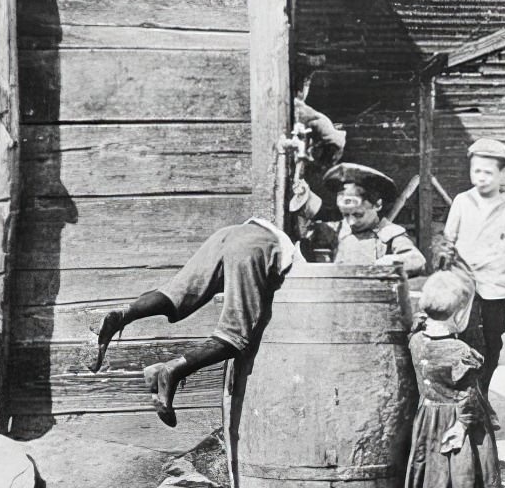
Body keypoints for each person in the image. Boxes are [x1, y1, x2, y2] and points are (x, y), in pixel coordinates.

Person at [86, 99, 345, 428]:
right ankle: (171, 369)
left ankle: (120, 316)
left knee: (176, 296)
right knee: (237, 336)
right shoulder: (313, 202)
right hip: (261, 246)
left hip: (236, 232)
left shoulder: (300, 162)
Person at [402, 271, 503, 488]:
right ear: (459, 314)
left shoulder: (417, 342)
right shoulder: (460, 352)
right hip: (459, 423)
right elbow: (469, 395)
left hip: (429, 421)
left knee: (437, 481)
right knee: (464, 480)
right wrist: (461, 425)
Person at [438, 138, 505, 401]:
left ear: (502, 173)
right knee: (462, 343)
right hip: (463, 289)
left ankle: (482, 396)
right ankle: (465, 400)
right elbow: (448, 241)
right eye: (476, 171)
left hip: (496, 289)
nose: (481, 178)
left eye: (488, 172)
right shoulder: (461, 201)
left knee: (492, 345)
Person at [291, 163, 426, 273]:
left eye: (358, 215)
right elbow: (311, 221)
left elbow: (416, 260)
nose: (350, 222)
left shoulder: (390, 233)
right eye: (345, 215)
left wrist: (387, 264)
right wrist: (304, 197)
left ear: (377, 205)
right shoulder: (338, 230)